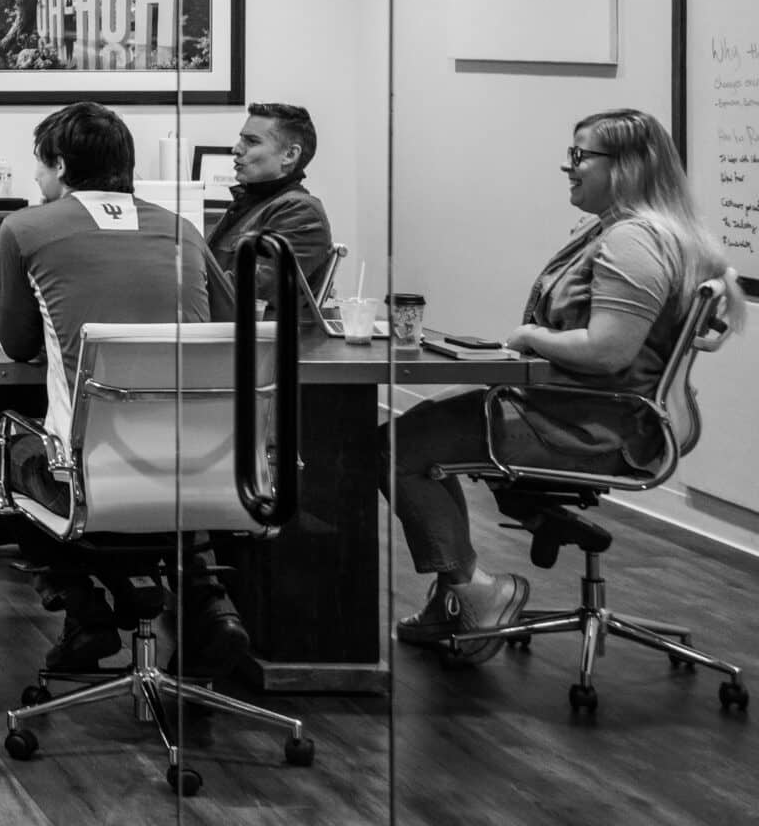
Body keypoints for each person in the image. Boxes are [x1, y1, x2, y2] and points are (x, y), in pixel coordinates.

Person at [385, 109, 744, 660]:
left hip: (587, 424)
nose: (568, 168)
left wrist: (530, 336)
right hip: (597, 414)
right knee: (425, 434)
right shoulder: (655, 233)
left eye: (580, 157)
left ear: (625, 167)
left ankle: (476, 593)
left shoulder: (633, 243)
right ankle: (458, 590)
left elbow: (608, 350)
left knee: (394, 447)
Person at [0, 102, 241, 674]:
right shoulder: (180, 229)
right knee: (163, 473)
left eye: (39, 164)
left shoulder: (24, 228)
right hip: (203, 465)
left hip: (87, 474)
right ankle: (208, 605)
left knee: (4, 454)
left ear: (58, 164)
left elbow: (18, 343)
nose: (35, 177)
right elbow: (230, 329)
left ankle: (87, 613)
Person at [207, 101, 336, 314]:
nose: (236, 149)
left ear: (290, 155)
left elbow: (246, 291)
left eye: (251, 141)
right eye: (241, 139)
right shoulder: (250, 203)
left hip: (264, 345)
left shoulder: (301, 213)